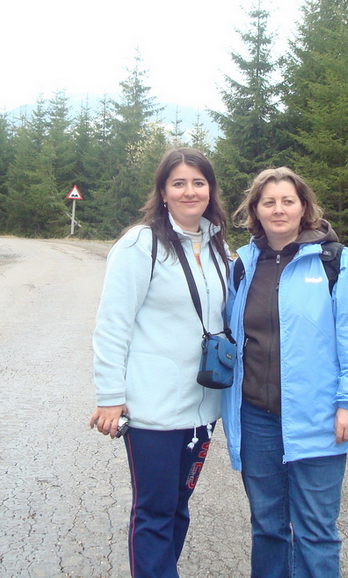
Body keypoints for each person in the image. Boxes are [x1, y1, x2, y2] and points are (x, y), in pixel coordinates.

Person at [222, 166, 348, 578]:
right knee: (268, 527)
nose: (279, 209)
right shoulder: (243, 265)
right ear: (255, 210)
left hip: (319, 418)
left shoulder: (335, 260)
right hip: (256, 418)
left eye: (287, 201)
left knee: (316, 531)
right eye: (269, 202)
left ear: (303, 207)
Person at [89, 147, 231, 578]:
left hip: (203, 408)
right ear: (163, 192)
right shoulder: (140, 244)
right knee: (154, 511)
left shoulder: (221, 248)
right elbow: (113, 324)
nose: (190, 192)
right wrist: (110, 396)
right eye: (179, 183)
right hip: (152, 409)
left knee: (178, 507)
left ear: (211, 190)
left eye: (198, 182)